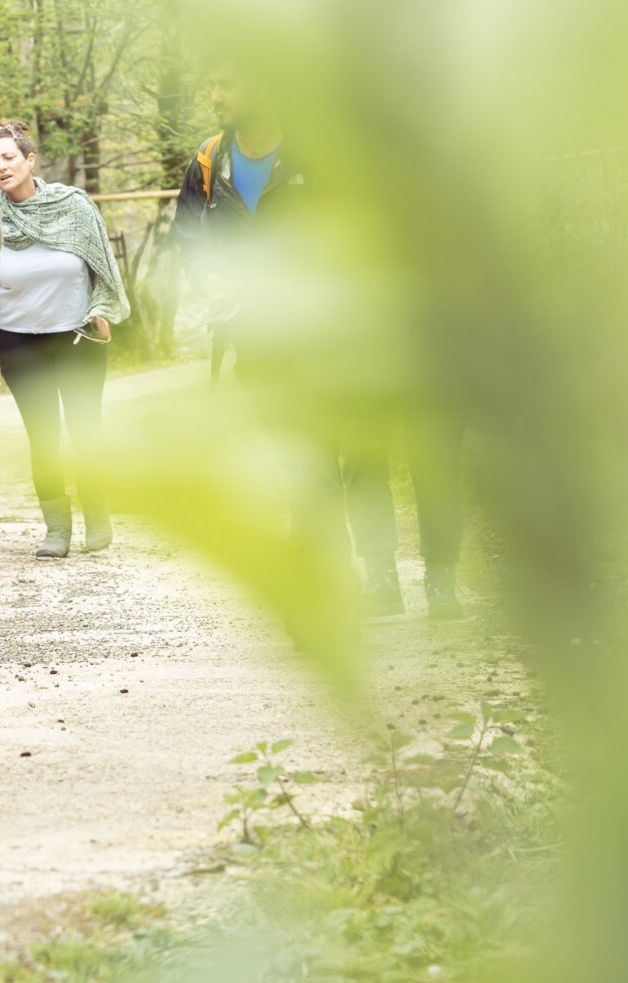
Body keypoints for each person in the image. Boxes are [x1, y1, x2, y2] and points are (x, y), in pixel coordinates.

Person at [173, 96, 460, 616]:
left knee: (431, 461)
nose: (220, 96)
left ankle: (441, 580)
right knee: (348, 461)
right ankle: (375, 581)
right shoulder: (217, 160)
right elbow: (197, 239)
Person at [0, 119, 127, 558]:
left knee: (86, 429)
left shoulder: (74, 207)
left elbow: (101, 263)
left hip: (77, 337)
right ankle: (56, 528)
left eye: (8, 158)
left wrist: (102, 309)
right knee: (43, 435)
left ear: (30, 160)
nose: (1, 167)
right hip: (18, 341)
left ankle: (97, 516)